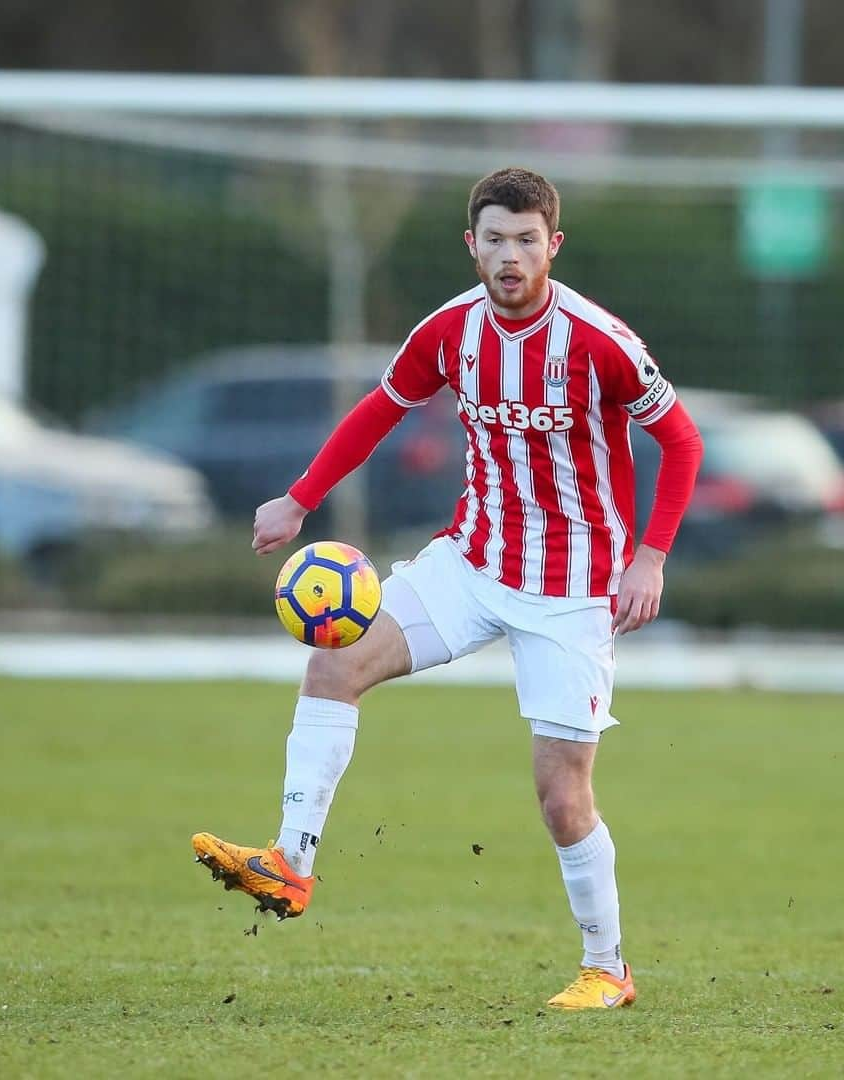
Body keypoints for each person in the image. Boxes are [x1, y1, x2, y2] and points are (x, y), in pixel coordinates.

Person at [192, 167, 703, 1011]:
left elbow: (681, 442)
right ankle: (290, 862)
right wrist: (299, 497)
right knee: (334, 659)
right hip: (471, 562)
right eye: (495, 239)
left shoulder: (599, 340)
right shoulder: (448, 333)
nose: (511, 256)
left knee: (561, 794)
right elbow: (379, 409)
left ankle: (608, 969)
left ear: (553, 246)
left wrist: (650, 558)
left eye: (526, 240)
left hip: (572, 587)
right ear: (473, 245)